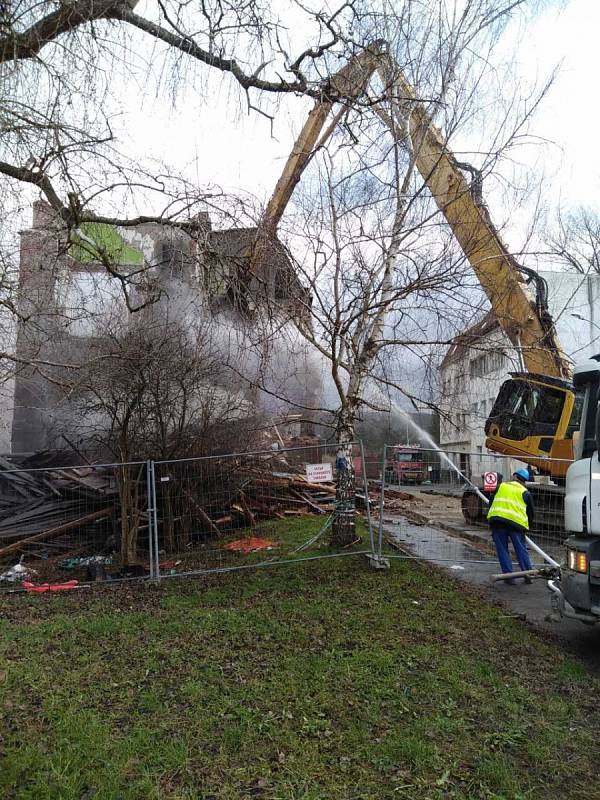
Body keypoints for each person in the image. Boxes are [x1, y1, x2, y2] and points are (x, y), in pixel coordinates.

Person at [487, 468, 534, 584]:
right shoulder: (525, 492)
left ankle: (509, 577)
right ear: (524, 481)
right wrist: (527, 528)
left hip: (498, 521)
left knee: (502, 549)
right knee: (521, 549)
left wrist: (491, 519)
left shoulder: (501, 486)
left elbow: (491, 502)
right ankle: (528, 574)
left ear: (514, 476)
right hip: (516, 524)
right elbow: (531, 513)